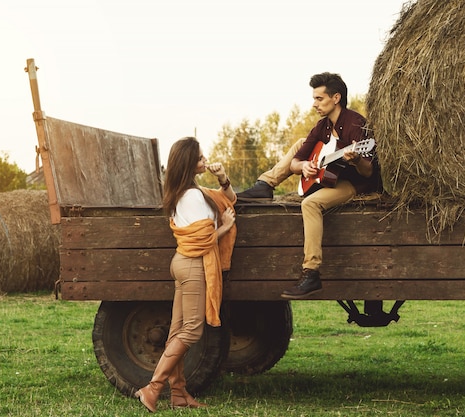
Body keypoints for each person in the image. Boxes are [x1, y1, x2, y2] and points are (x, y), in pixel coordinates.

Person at [238, 72, 381, 299]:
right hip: (328, 177)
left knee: (310, 204)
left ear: (336, 98)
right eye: (314, 98)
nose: (314, 104)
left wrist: (356, 159)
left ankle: (311, 272)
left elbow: (369, 171)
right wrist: (304, 166)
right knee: (300, 145)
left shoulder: (356, 124)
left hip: (355, 184)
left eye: (319, 99)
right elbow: (295, 163)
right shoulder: (322, 125)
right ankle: (265, 184)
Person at [135, 137, 237, 413]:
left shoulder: (190, 191)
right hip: (193, 264)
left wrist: (222, 178)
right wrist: (226, 227)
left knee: (177, 332)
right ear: (189, 163)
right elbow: (204, 241)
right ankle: (153, 388)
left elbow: (229, 199)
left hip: (183, 263)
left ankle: (178, 393)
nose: (205, 161)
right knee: (192, 330)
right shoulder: (192, 196)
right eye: (201, 158)